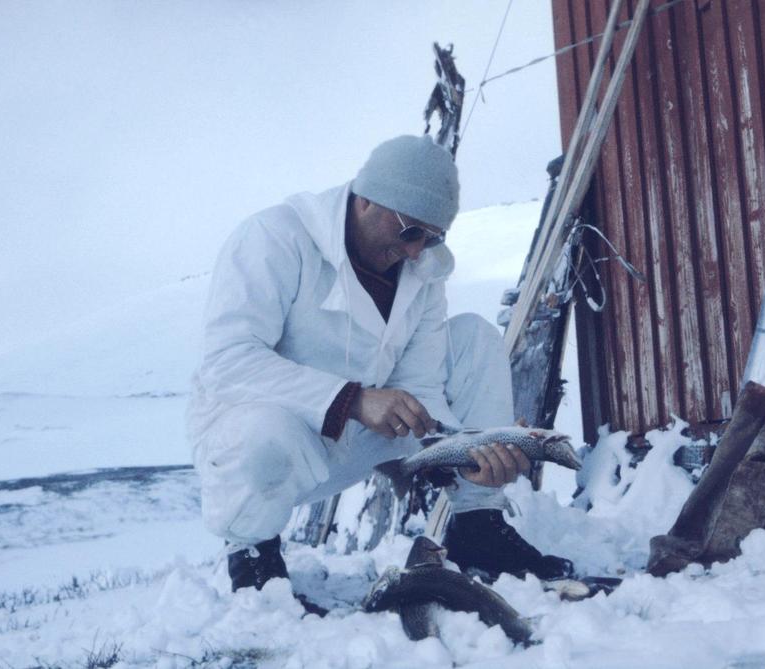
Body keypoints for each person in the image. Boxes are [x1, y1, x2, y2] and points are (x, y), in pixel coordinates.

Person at [187, 135, 574, 593]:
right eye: (410, 231)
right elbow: (229, 362)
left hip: (361, 437)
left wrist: (461, 455)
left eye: (433, 237)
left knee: (473, 337)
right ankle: (254, 562)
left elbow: (421, 386)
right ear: (367, 200)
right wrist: (352, 399)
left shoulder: (424, 270)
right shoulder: (275, 238)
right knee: (265, 433)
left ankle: (478, 527)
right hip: (264, 448)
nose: (416, 251)